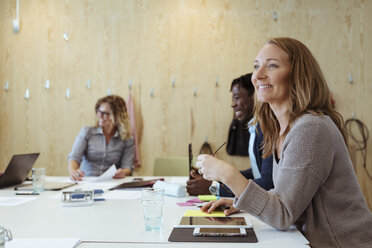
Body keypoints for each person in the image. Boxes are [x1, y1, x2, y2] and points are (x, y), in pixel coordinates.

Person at [198, 37, 372, 247]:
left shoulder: (310, 128)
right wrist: (241, 201)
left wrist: (227, 174)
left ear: (298, 75)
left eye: (271, 65)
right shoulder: (280, 130)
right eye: (256, 66)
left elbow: (283, 215)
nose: (258, 75)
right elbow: (288, 196)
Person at [186, 73, 273, 196]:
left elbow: (267, 183)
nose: (232, 104)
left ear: (254, 95)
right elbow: (257, 172)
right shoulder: (255, 128)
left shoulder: (267, 129)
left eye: (236, 97)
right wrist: (218, 177)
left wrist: (215, 188)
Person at [68, 95, 134, 181]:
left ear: (117, 116)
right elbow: (74, 158)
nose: (100, 116)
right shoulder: (87, 132)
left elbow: (127, 167)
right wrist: (73, 171)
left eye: (105, 113)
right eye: (99, 111)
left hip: (112, 182)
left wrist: (123, 172)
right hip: (86, 181)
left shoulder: (127, 139)